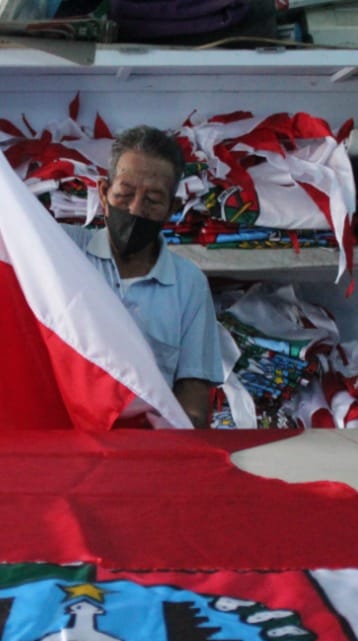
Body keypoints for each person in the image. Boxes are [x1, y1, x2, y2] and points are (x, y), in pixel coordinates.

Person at [63, 125, 224, 428]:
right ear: (103, 192)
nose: (136, 209)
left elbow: (193, 401)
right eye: (124, 194)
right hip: (69, 441)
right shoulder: (63, 252)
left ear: (173, 208)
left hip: (148, 449)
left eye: (152, 200)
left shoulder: (188, 283)